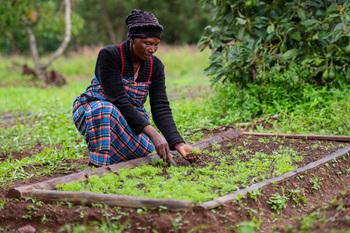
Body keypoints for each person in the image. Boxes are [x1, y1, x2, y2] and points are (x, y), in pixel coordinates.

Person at [72, 9, 192, 166]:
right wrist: (154, 134)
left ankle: (114, 159)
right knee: (104, 109)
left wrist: (178, 143)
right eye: (147, 44)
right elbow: (118, 99)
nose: (152, 49)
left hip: (131, 119)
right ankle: (98, 165)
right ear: (132, 39)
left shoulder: (155, 66)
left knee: (149, 152)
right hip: (93, 112)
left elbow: (160, 106)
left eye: (156, 44)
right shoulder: (110, 55)